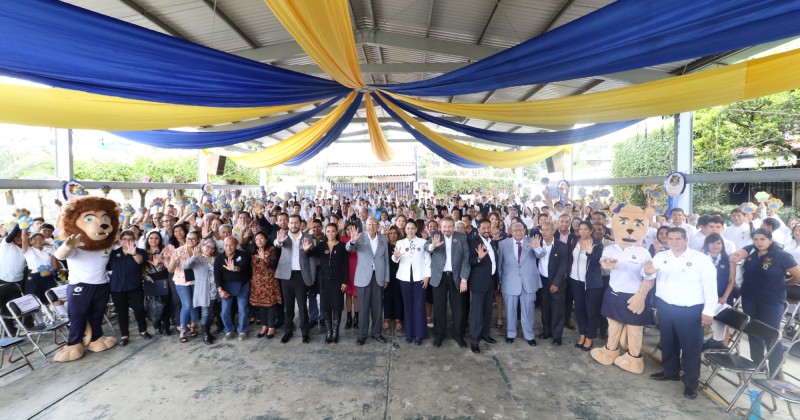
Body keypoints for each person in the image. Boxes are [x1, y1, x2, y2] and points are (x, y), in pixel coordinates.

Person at [645, 228, 717, 399]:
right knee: (668, 342)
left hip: (690, 310)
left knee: (691, 348)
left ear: (686, 240)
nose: (674, 242)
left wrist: (709, 311)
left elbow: (710, 286)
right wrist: (647, 272)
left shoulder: (700, 259)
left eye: (678, 238)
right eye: (671, 239)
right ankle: (670, 371)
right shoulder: (661, 257)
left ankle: (691, 382)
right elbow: (648, 276)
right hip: (666, 306)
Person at [729, 228, 800, 376]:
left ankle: (776, 370)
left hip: (771, 301)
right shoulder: (751, 251)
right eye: (756, 239)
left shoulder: (781, 255)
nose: (759, 242)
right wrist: (737, 255)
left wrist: (785, 283)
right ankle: (757, 363)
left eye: (763, 239)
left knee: (771, 334)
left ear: (770, 240)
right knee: (753, 331)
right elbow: (740, 252)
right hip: (749, 298)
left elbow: (798, 275)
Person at [425, 217, 471, 348]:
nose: (447, 229)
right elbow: (425, 247)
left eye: (450, 226)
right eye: (444, 226)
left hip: (456, 277)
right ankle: (439, 335)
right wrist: (432, 246)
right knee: (439, 307)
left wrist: (464, 279)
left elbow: (466, 259)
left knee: (458, 308)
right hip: (439, 277)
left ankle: (459, 335)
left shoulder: (461, 237)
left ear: (454, 227)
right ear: (440, 227)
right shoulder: (435, 235)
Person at [498, 222, 545, 346]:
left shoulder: (533, 241)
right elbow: (500, 265)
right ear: (510, 231)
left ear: (525, 230)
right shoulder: (503, 244)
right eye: (515, 229)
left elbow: (541, 254)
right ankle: (510, 333)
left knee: (528, 310)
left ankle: (529, 335)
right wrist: (500, 281)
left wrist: (536, 247)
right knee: (510, 310)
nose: (518, 232)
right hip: (510, 282)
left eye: (521, 229)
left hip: (528, 282)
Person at [345, 217, 390, 345]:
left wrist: (386, 278)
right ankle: (362, 334)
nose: (371, 226)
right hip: (363, 277)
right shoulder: (360, 237)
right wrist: (352, 241)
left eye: (373, 224)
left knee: (377, 307)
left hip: (378, 277)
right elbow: (349, 249)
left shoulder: (383, 239)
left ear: (377, 226)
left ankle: (377, 333)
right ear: (366, 226)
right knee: (363, 308)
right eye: (369, 224)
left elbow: (386, 259)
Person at [274, 214, 317, 343]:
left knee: (302, 305)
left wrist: (307, 251)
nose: (293, 225)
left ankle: (305, 332)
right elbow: (276, 243)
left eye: (296, 223)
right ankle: (288, 330)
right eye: (291, 223)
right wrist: (279, 242)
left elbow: (312, 257)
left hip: (301, 275)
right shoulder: (283, 235)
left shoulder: (307, 237)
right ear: (288, 224)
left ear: (300, 224)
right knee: (288, 305)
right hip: (286, 275)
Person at [303, 223, 348, 343]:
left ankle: (335, 331)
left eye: (333, 231)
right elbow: (311, 254)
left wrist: (345, 281)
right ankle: (329, 331)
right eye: (328, 231)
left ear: (337, 232)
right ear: (325, 232)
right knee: (326, 305)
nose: (330, 234)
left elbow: (346, 266)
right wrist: (307, 250)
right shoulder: (321, 245)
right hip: (323, 280)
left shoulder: (342, 246)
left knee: (337, 306)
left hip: (338, 280)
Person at [107, 230, 150, 346]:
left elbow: (140, 261)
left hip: (134, 286)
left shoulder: (140, 252)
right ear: (120, 241)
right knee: (122, 312)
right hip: (117, 287)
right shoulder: (114, 253)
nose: (127, 242)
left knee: (139, 310)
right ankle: (124, 335)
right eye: (125, 239)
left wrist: (133, 253)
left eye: (130, 239)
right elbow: (106, 266)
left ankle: (143, 330)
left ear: (134, 240)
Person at [392, 220, 431, 345]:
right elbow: (394, 258)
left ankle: (419, 334)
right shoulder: (400, 242)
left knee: (419, 306)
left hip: (420, 278)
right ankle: (408, 333)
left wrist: (427, 277)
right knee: (407, 305)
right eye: (408, 228)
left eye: (412, 228)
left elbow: (427, 260)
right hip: (405, 278)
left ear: (416, 229)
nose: (410, 231)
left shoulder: (423, 242)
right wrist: (396, 256)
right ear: (405, 230)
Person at [569, 221, 604, 351]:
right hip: (575, 280)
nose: (582, 232)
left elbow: (597, 262)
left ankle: (590, 338)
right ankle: (582, 334)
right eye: (580, 229)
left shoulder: (597, 244)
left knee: (591, 312)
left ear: (590, 231)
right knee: (579, 310)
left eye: (585, 229)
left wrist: (590, 252)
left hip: (591, 283)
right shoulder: (575, 242)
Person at [535, 221, 570, 345]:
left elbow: (563, 267)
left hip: (557, 282)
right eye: (542, 230)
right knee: (545, 308)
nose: (543, 232)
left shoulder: (562, 246)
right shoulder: (538, 244)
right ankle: (546, 331)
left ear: (553, 231)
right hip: (543, 281)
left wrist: (556, 283)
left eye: (546, 230)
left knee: (557, 309)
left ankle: (557, 335)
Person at [468, 219, 499, 353]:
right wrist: (479, 258)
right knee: (477, 313)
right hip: (478, 283)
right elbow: (469, 261)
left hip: (491, 281)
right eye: (483, 228)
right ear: (478, 229)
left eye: (488, 228)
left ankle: (485, 334)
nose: (486, 230)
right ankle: (475, 340)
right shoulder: (473, 242)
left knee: (488, 311)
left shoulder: (492, 242)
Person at [701, 233, 736, 351]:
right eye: (712, 243)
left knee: (723, 325)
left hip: (724, 296)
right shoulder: (701, 258)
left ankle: (722, 350)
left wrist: (724, 297)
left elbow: (731, 281)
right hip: (703, 296)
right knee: (703, 322)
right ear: (707, 244)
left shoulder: (729, 259)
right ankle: (704, 346)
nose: (715, 246)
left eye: (718, 243)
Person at [214, 236, 252, 341]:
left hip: (242, 285)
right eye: (226, 245)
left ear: (236, 245)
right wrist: (220, 289)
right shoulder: (219, 258)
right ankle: (228, 330)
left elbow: (243, 267)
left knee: (242, 309)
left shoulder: (243, 255)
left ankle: (242, 330)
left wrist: (235, 268)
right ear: (223, 246)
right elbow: (217, 276)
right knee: (225, 310)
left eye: (231, 245)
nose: (229, 247)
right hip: (226, 287)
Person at [167, 230, 201, 343]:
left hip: (196, 281)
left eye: (193, 238)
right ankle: (183, 330)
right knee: (187, 305)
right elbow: (170, 269)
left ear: (198, 240)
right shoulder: (178, 251)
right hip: (182, 281)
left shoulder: (200, 250)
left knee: (195, 304)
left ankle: (193, 325)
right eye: (188, 238)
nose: (190, 241)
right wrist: (174, 263)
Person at [183, 238, 219, 344]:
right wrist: (193, 257)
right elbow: (184, 266)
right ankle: (205, 335)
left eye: (212, 248)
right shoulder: (197, 258)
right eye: (208, 247)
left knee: (210, 313)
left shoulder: (215, 258)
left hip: (214, 290)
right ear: (202, 247)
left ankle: (208, 332)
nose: (210, 250)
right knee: (205, 313)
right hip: (203, 290)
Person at [248, 232, 281, 340]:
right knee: (260, 305)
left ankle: (271, 326)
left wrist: (264, 258)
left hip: (269, 281)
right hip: (257, 283)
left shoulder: (272, 250)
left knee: (271, 305)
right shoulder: (253, 252)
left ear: (266, 239)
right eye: (256, 239)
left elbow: (273, 264)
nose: (259, 241)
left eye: (261, 238)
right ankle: (264, 325)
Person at [383, 225, 404, 332]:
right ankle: (386, 318)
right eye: (390, 233)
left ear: (398, 234)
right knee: (387, 297)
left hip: (400, 276)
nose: (392, 235)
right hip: (387, 275)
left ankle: (398, 319)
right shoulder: (385, 245)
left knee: (398, 297)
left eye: (395, 233)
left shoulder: (402, 245)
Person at [340, 221, 360, 329]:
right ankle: (349, 317)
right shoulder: (342, 239)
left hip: (357, 269)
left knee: (356, 294)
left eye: (352, 229)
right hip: (345, 269)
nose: (350, 231)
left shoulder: (359, 239)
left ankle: (357, 316)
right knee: (348, 294)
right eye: (348, 229)